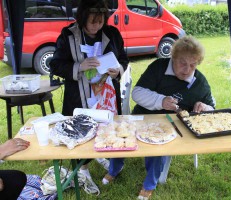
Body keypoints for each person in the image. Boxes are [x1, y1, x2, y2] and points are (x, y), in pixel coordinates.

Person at [102, 35, 215, 199]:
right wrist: (161, 101)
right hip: (144, 115)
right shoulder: (158, 67)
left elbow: (212, 109)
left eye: (193, 65)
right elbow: (137, 93)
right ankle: (114, 168)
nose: (187, 69)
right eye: (183, 63)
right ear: (173, 57)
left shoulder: (200, 82)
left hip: (170, 124)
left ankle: (149, 185)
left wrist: (204, 107)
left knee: (158, 145)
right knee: (122, 133)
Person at [50, 0, 129, 178]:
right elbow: (55, 65)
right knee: (80, 129)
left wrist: (118, 70)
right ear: (82, 18)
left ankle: (103, 152)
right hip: (79, 93)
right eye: (92, 21)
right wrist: (79, 66)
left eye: (101, 21)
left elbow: (124, 58)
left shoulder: (112, 33)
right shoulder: (68, 34)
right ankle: (82, 168)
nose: (96, 25)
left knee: (107, 126)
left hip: (106, 92)